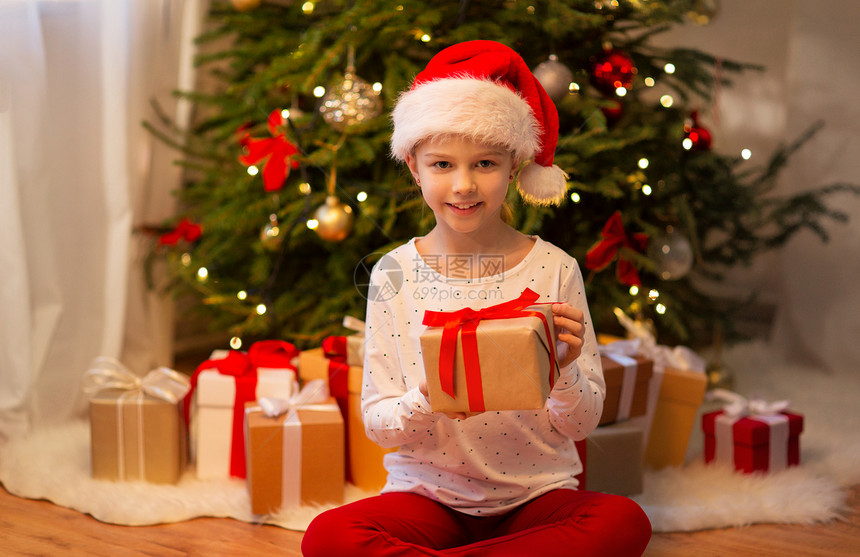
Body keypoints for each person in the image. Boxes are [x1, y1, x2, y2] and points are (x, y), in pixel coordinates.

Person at [303, 40, 652, 556]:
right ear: (414, 169)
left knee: (625, 522)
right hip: (427, 499)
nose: (463, 185)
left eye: (484, 163)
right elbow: (379, 426)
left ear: (514, 167)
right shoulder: (394, 274)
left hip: (537, 498)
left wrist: (565, 368)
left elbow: (581, 422)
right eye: (442, 164)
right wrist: (433, 393)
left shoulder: (556, 268)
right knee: (327, 538)